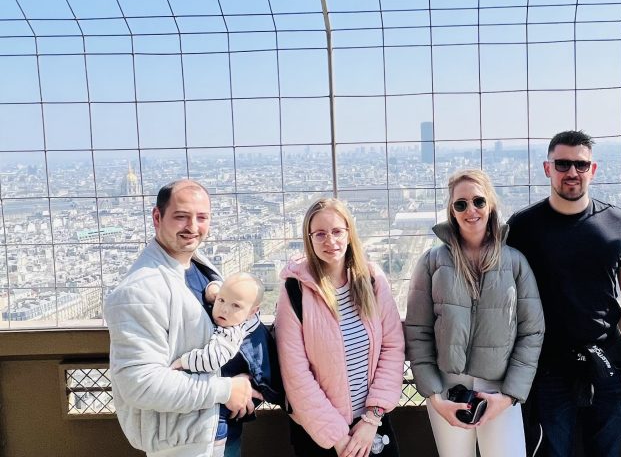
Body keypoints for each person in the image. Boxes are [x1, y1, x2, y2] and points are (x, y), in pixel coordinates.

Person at [505, 130, 621, 457]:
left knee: (607, 451)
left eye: (581, 165)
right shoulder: (523, 227)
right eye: (563, 164)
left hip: (607, 359)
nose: (572, 172)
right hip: (547, 365)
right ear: (547, 168)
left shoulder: (617, 223)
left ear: (593, 169)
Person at [105, 180, 255, 457]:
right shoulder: (138, 291)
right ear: (157, 217)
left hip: (216, 432)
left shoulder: (198, 266)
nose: (193, 227)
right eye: (182, 216)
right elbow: (141, 384)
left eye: (202, 217)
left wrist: (241, 379)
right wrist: (225, 389)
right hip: (185, 445)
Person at [405, 169, 545, 457]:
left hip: (499, 389)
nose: (471, 210)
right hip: (448, 391)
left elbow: (532, 331)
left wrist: (508, 396)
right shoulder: (431, 263)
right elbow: (417, 332)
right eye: (461, 204)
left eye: (478, 201)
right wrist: (434, 396)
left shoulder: (515, 263)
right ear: (452, 211)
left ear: (490, 205)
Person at [275, 198, 405, 457]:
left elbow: (392, 348)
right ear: (309, 239)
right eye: (320, 234)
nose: (330, 241)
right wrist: (337, 437)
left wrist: (371, 419)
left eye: (337, 231)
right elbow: (295, 374)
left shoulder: (372, 280)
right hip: (318, 434)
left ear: (349, 233)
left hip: (372, 427)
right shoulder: (295, 291)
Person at [170, 273, 278, 457]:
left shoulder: (231, 334)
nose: (224, 310)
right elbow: (233, 294)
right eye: (221, 300)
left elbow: (212, 358)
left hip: (220, 418)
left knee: (220, 439)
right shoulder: (249, 319)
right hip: (236, 407)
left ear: (252, 310)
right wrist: (214, 287)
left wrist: (182, 362)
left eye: (235, 305)